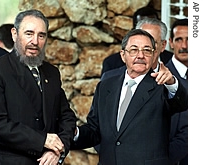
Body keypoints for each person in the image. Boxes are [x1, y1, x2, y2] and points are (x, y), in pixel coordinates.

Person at [71, 29, 188, 165]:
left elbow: (182, 102)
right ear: (123, 55)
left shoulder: (162, 86)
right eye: (134, 50)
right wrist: (75, 133)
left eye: (147, 50)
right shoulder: (105, 86)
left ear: (153, 55)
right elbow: (94, 129)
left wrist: (172, 83)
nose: (140, 55)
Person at [0, 9, 76, 165]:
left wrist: (57, 150)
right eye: (29, 33)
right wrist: (42, 140)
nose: (35, 42)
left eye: (41, 35)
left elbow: (67, 117)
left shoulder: (51, 73)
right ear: (14, 34)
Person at [101, 6, 173, 76]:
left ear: (163, 45)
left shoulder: (173, 66)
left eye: (152, 42)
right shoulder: (112, 66)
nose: (141, 55)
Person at [167, 18, 188, 165]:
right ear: (170, 42)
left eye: (189, 40)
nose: (184, 46)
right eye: (179, 39)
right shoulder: (162, 78)